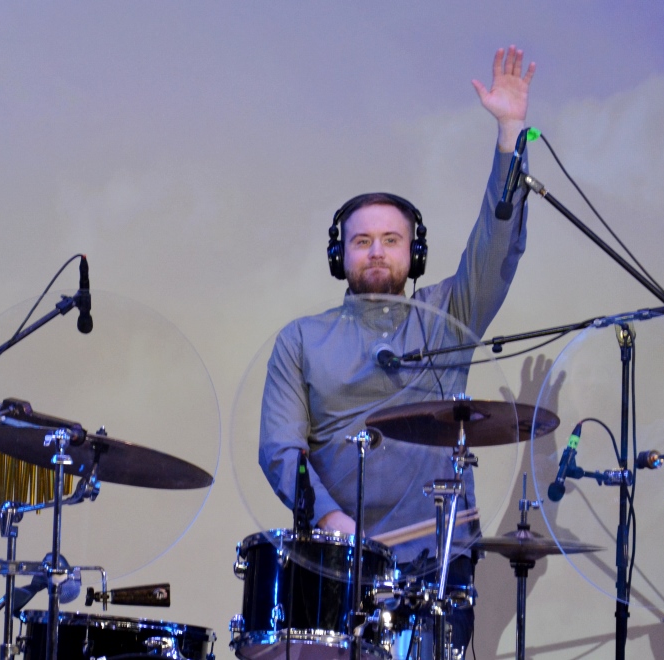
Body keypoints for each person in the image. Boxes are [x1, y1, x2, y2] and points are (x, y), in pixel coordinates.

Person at [258, 46, 535, 652]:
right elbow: (281, 450)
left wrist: (509, 135)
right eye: (362, 242)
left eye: (391, 239)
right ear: (340, 257)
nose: (377, 252)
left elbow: (495, 246)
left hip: (437, 560)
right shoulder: (301, 339)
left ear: (415, 254)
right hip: (334, 562)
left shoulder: (447, 317)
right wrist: (330, 518)